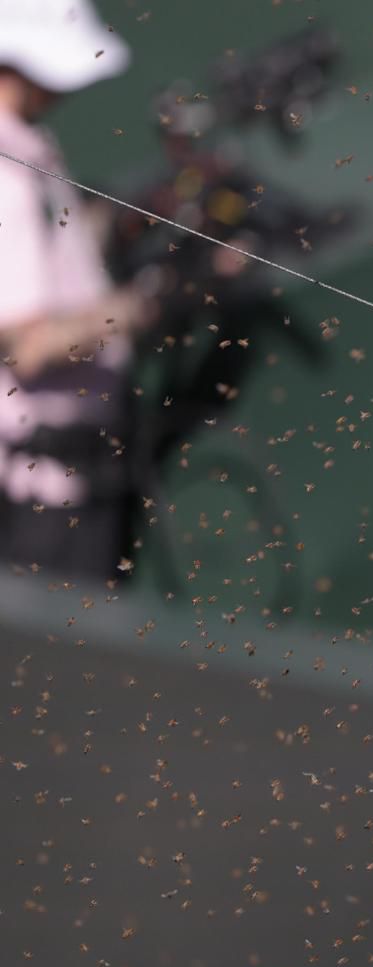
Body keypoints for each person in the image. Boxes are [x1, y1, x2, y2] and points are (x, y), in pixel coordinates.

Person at [0, 0, 152, 581]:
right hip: (43, 502)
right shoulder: (8, 178)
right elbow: (29, 344)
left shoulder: (25, 145)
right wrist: (145, 304)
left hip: (67, 480)